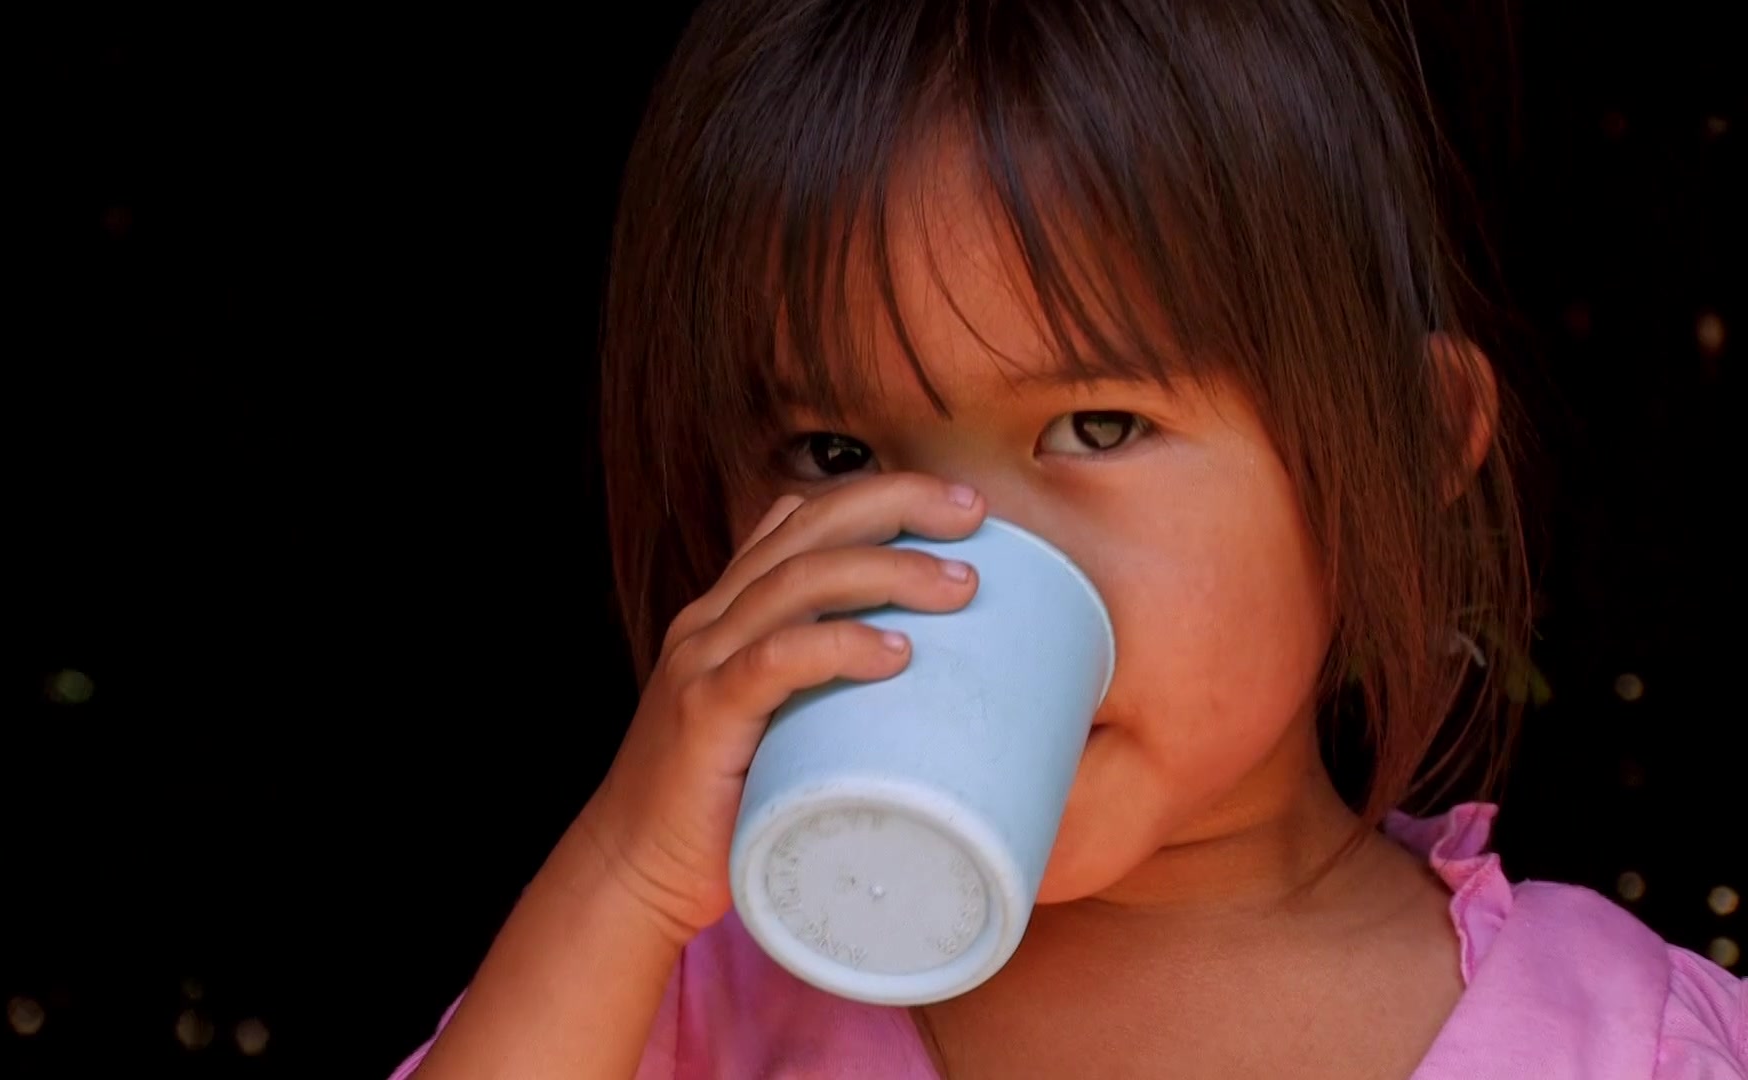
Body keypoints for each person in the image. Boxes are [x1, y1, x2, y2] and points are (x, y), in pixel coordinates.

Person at [398, 0, 1746, 1075]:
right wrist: (625, 881)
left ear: (1400, 445)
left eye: (1097, 426)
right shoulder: (668, 1008)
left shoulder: (1636, 1040)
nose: (955, 565)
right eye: (837, 456)